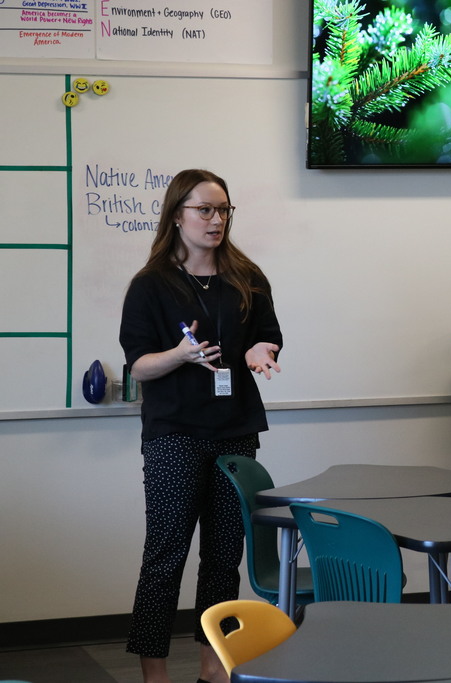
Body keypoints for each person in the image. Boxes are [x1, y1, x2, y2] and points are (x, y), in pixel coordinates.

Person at [119, 169, 283, 683]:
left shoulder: (247, 275)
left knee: (223, 558)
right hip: (175, 434)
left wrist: (261, 350)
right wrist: (179, 354)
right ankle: (155, 673)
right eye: (205, 210)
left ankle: (214, 667)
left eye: (224, 210)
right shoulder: (151, 285)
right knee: (165, 557)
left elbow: (267, 335)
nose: (217, 220)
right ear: (177, 214)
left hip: (235, 430)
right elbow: (139, 366)